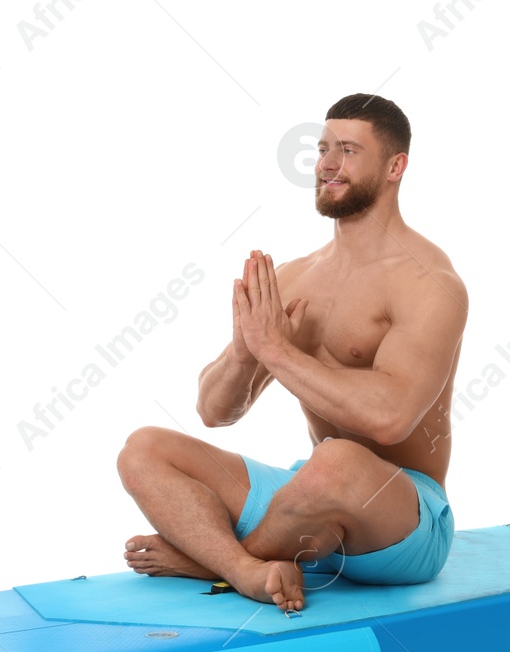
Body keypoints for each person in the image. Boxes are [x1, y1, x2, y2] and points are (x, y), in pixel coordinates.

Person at [118, 94, 468, 614]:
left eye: (348, 150)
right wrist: (246, 351)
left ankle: (211, 559)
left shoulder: (429, 283)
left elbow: (390, 419)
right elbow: (214, 412)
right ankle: (246, 568)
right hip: (306, 504)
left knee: (338, 462)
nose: (327, 164)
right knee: (144, 448)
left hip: (405, 520)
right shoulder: (298, 276)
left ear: (396, 166)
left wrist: (276, 350)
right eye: (323, 148)